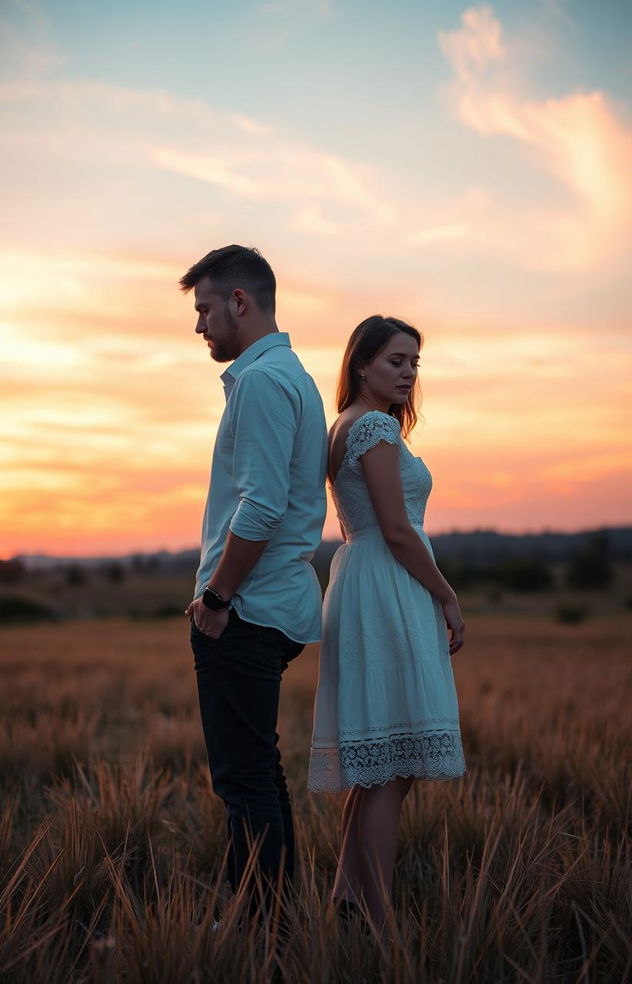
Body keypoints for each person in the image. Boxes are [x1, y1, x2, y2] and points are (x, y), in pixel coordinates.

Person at [181, 245, 327, 918]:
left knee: (243, 781)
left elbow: (262, 505)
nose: (200, 326)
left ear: (240, 301)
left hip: (248, 610)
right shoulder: (289, 374)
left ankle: (259, 927)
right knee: (258, 775)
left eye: (205, 309)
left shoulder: (266, 381)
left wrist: (216, 599)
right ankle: (272, 918)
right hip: (268, 605)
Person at [308, 315, 465, 933]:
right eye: (396, 360)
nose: (407, 373)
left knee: (384, 763)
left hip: (367, 581)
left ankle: (348, 899)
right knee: (392, 763)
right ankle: (377, 920)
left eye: (414, 363)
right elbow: (398, 530)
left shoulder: (348, 426)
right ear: (362, 364)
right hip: (386, 585)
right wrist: (447, 596)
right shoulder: (371, 427)